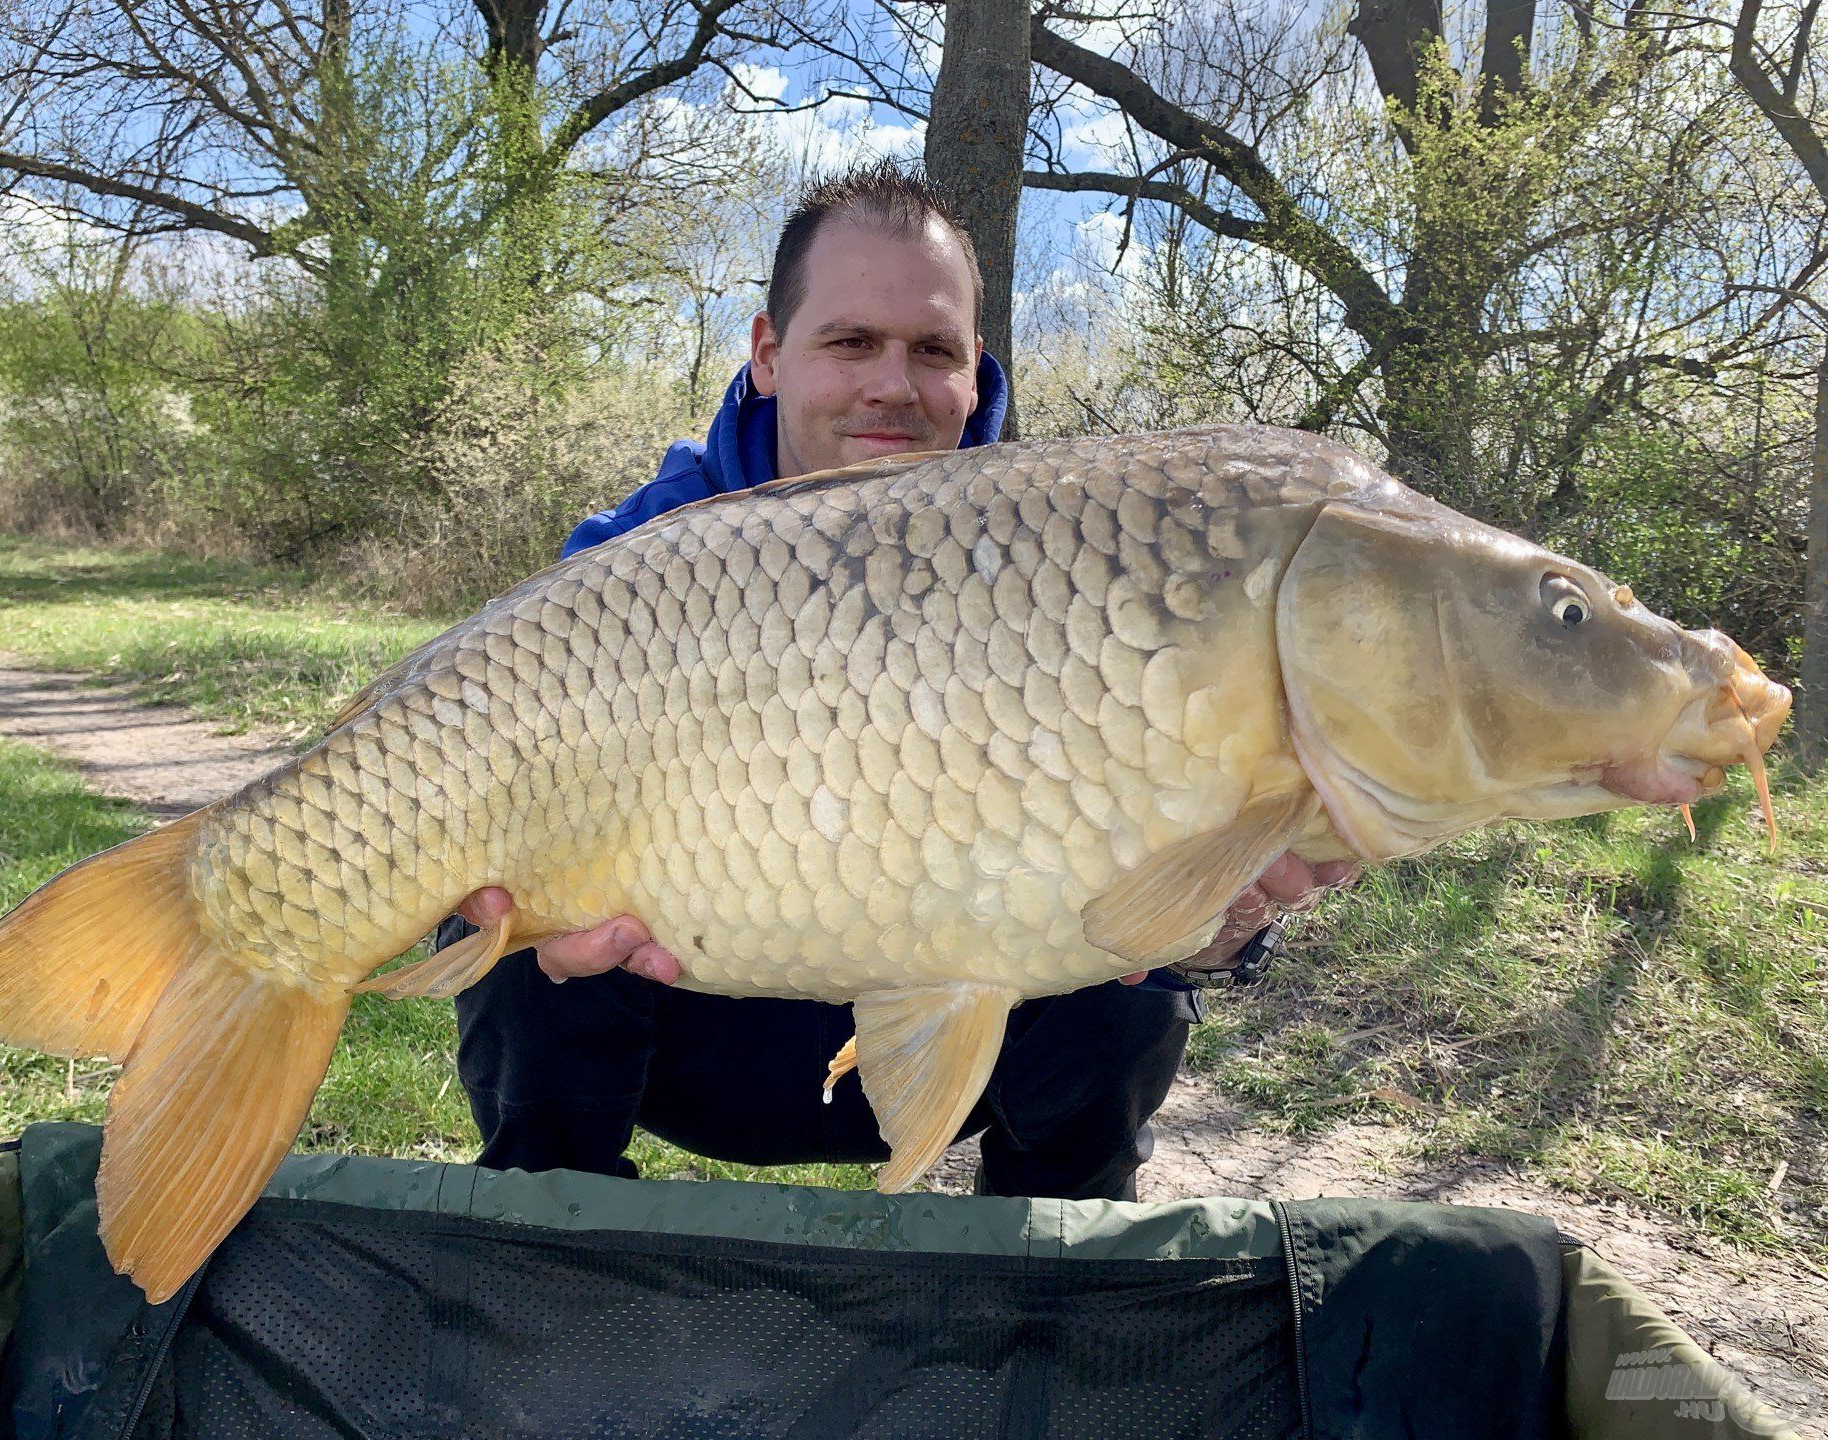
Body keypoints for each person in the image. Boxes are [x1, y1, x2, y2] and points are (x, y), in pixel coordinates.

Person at [441, 161, 1355, 1201]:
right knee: (503, 901)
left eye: (933, 349)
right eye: (850, 342)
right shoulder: (632, 561)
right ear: (770, 354)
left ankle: (1060, 1287)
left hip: (958, 1030)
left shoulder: (1079, 561)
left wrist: (1219, 932)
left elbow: (1196, 853)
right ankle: (546, 1235)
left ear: (975, 370)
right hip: (687, 1018)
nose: (893, 384)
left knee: (1134, 969)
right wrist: (511, 924)